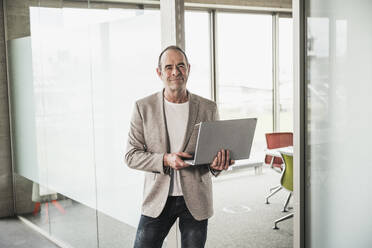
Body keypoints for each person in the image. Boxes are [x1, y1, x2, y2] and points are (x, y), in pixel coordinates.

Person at [125, 45, 233, 248]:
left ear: (188, 69)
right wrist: (165, 159)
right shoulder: (143, 107)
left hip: (196, 200)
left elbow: (211, 159)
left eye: (180, 66)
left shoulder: (208, 108)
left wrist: (217, 165)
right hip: (158, 199)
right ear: (159, 72)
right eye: (169, 67)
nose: (175, 72)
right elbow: (131, 155)